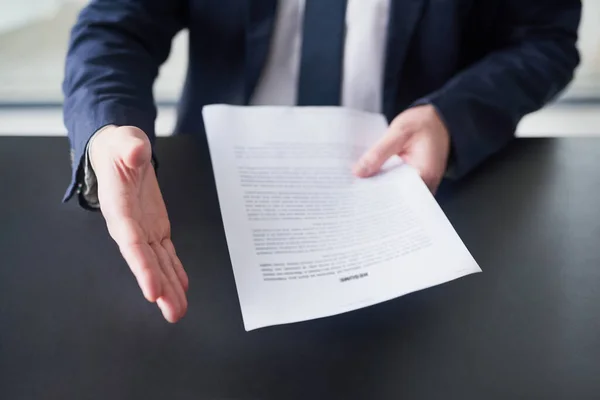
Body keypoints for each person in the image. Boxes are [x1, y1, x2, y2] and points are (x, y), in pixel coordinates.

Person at [62, 0, 581, 323]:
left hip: (419, 195)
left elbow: (544, 39)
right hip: (210, 207)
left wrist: (450, 116)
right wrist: (107, 128)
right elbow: (114, 26)